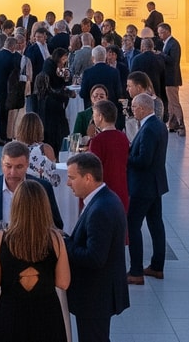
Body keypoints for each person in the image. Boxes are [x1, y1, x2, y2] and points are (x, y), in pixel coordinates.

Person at [0, 179, 71, 342]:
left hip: (11, 314)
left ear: (15, 206)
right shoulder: (56, 239)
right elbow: (63, 282)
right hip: (47, 314)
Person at [62, 152, 129, 342]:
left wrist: (64, 243)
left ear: (88, 178)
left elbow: (94, 257)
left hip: (95, 296)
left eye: (72, 178)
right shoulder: (105, 199)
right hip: (98, 294)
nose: (68, 183)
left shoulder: (100, 209)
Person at [0, 142, 65, 247]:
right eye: (8, 166)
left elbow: (56, 224)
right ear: (1, 164)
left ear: (27, 164)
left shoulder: (43, 188)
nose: (13, 172)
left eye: (19, 167)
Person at [125, 93, 168, 285]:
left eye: (134, 107)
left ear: (143, 108)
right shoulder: (158, 125)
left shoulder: (149, 129)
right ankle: (157, 266)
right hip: (156, 183)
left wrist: (125, 158)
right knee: (155, 224)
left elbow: (143, 160)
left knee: (133, 226)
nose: (132, 110)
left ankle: (135, 271)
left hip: (143, 186)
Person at [87, 101, 131, 215]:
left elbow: (93, 169)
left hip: (104, 192)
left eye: (94, 114)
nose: (94, 118)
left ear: (100, 117)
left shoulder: (97, 141)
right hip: (122, 189)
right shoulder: (123, 137)